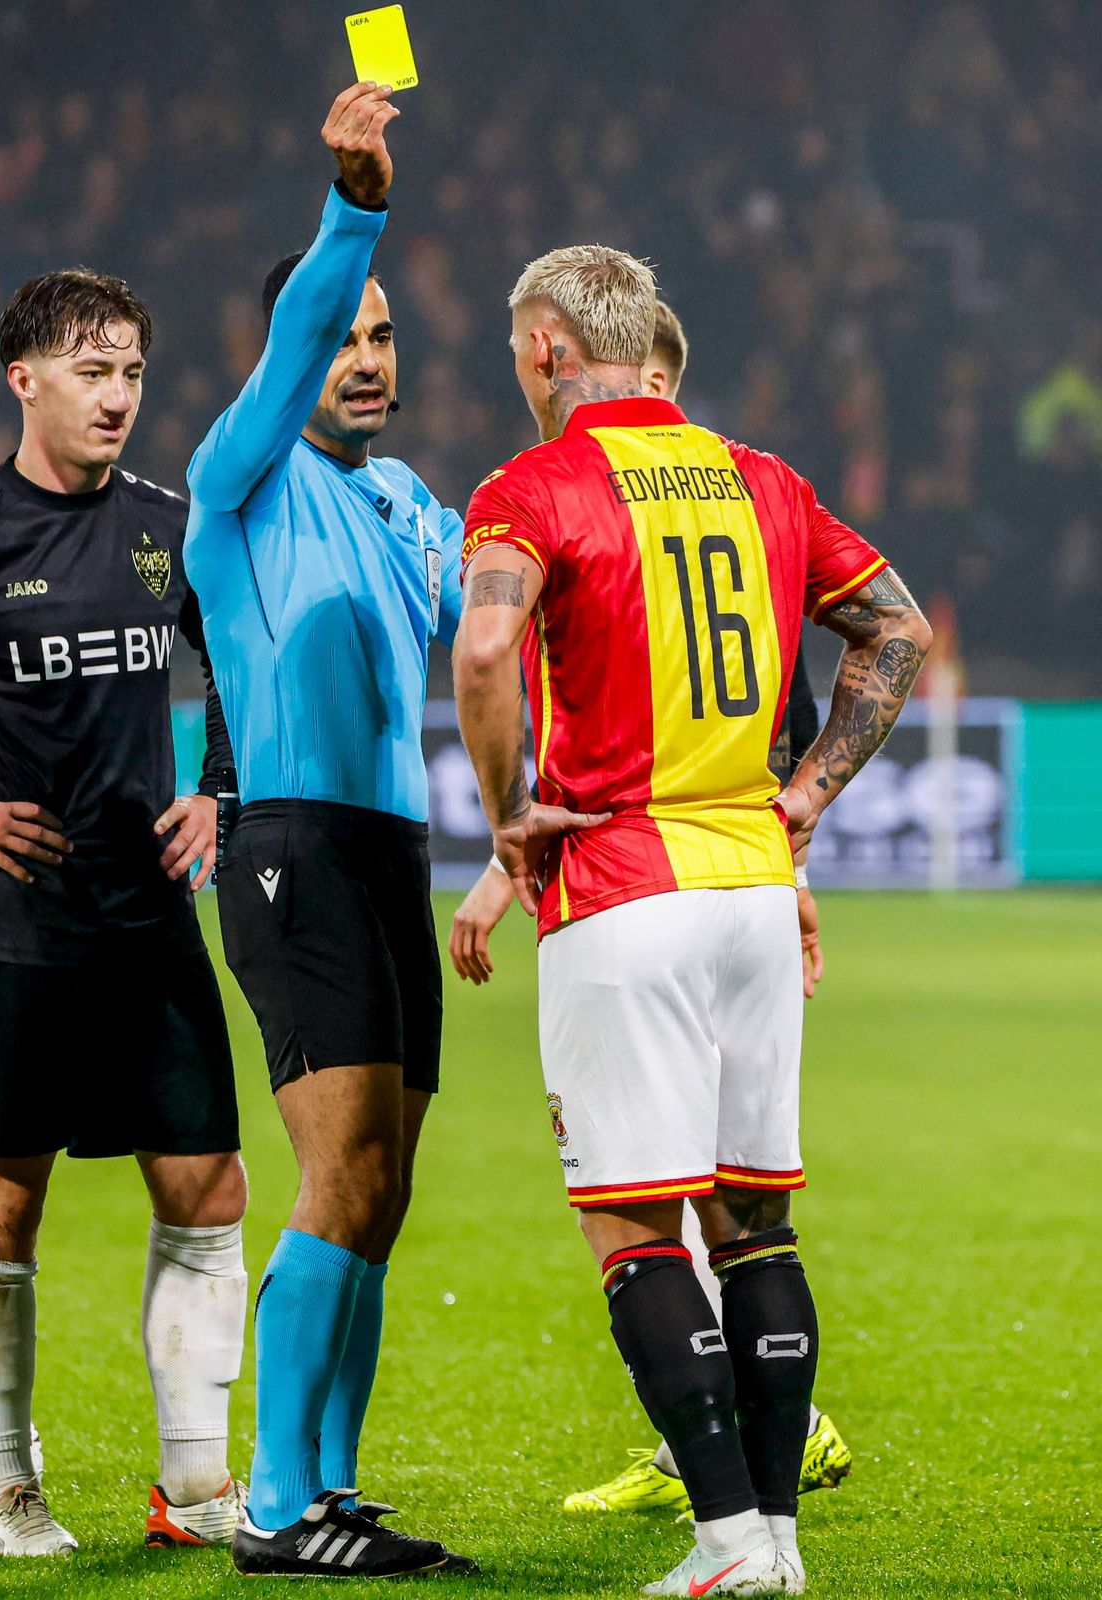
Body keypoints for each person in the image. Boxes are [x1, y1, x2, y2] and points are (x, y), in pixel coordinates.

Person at [453, 246, 930, 1595]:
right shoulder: (763, 479)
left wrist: (505, 814)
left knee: (638, 1230)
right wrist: (809, 797)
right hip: (752, 889)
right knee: (755, 1225)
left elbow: (488, 651)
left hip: (624, 886)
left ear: (548, 349)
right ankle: (773, 1537)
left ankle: (722, 1539)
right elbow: (894, 628)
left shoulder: (534, 486)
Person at [0, 270, 248, 1558]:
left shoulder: (170, 524)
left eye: (134, 375)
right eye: (92, 373)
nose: (119, 399)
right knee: (8, 1202)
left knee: (208, 1186)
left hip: (147, 920)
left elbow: (237, 663)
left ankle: (198, 1491)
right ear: (25, 380)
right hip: (13, 929)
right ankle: (5, 1487)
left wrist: (216, 789)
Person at [184, 84, 472, 1580]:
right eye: (338, 338)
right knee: (340, 1170)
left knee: (387, 1185)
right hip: (290, 849)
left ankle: (335, 1489)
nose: (362, 359)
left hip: (390, 856)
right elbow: (290, 340)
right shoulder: (239, 480)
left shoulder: (415, 501)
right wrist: (353, 211)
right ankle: (277, 1505)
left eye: (380, 337)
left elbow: (472, 630)